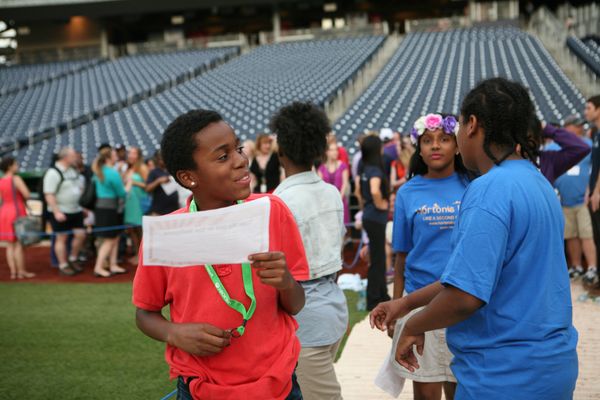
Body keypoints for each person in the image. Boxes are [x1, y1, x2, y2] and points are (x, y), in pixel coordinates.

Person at [370, 78, 579, 399]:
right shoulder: (535, 180)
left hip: (503, 372)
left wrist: (414, 325)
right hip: (550, 365)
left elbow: (466, 297)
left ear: (471, 125)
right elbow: (474, 277)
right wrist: (407, 303)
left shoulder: (487, 189)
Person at [132, 109, 308, 400]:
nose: (241, 160)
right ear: (189, 177)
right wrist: (175, 333)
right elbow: (144, 313)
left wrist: (286, 282)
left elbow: (296, 304)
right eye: (223, 156)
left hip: (279, 382)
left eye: (238, 148)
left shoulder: (273, 210)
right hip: (201, 386)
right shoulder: (167, 234)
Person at [272, 102, 348, 400]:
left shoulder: (280, 202)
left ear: (281, 151)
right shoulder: (330, 192)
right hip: (332, 305)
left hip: (306, 320)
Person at [551, 115, 597, 280]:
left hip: (583, 200)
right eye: (576, 126)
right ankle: (576, 266)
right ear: (567, 128)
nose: (580, 128)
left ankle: (592, 267)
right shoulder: (555, 146)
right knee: (570, 235)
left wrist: (590, 190)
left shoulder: (590, 144)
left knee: (586, 235)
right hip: (564, 200)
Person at [357, 135, 391, 310]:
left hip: (369, 216)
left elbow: (359, 191)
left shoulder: (364, 169)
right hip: (376, 217)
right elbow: (375, 190)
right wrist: (381, 204)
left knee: (378, 257)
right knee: (378, 260)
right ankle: (373, 299)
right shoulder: (376, 171)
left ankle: (382, 294)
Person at [43, 146, 86, 276]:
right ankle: (63, 264)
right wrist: (56, 212)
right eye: (73, 156)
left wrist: (81, 207)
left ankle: (73, 258)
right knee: (61, 238)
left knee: (81, 235)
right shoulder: (53, 172)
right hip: (61, 211)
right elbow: (49, 194)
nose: (76, 158)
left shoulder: (72, 171)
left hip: (75, 210)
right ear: (65, 157)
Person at [92, 147, 127, 278]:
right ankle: (98, 267)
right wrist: (127, 186)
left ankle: (113, 265)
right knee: (109, 239)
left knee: (115, 237)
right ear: (108, 158)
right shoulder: (112, 173)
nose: (116, 156)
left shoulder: (99, 171)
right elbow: (121, 193)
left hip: (102, 208)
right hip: (110, 209)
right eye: (114, 155)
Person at [0, 157, 35, 279]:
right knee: (19, 244)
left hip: (4, 211)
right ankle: (21, 271)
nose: (17, 165)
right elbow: (27, 194)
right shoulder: (16, 179)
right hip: (16, 211)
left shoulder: (1, 180)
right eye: (15, 164)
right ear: (9, 166)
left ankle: (13, 272)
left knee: (10, 245)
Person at [124, 146, 149, 264]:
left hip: (139, 202)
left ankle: (143, 256)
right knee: (133, 230)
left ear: (138, 155)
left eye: (134, 153)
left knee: (140, 230)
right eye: (129, 153)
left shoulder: (142, 167)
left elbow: (147, 186)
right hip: (130, 203)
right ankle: (137, 254)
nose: (131, 155)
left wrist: (134, 182)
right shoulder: (127, 168)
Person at [585, 95, 600, 286]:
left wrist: (596, 191)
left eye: (588, 108)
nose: (585, 112)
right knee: (596, 236)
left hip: (599, 193)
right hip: (594, 191)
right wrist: (588, 190)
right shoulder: (595, 133)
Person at [318, 137, 350, 225]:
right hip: (326, 203)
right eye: (332, 150)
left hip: (340, 201)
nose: (335, 152)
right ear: (327, 152)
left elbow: (345, 184)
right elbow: (320, 186)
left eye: (336, 149)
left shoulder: (343, 166)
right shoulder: (321, 168)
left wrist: (339, 198)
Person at [145, 150, 180, 216]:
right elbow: (147, 189)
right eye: (161, 158)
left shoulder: (172, 170)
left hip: (175, 210)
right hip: (159, 211)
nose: (163, 159)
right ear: (157, 159)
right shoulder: (154, 172)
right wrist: (158, 181)